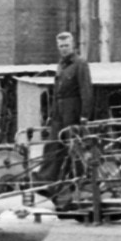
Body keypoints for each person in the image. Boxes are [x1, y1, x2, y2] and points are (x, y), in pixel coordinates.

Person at [45, 31, 95, 184]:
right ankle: (46, 182)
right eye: (61, 46)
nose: (64, 49)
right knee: (53, 146)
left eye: (66, 45)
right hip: (59, 113)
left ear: (73, 45)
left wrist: (84, 116)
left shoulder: (80, 64)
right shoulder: (61, 66)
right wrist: (51, 115)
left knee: (75, 148)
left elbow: (86, 90)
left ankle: (81, 180)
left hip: (73, 112)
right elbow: (56, 93)